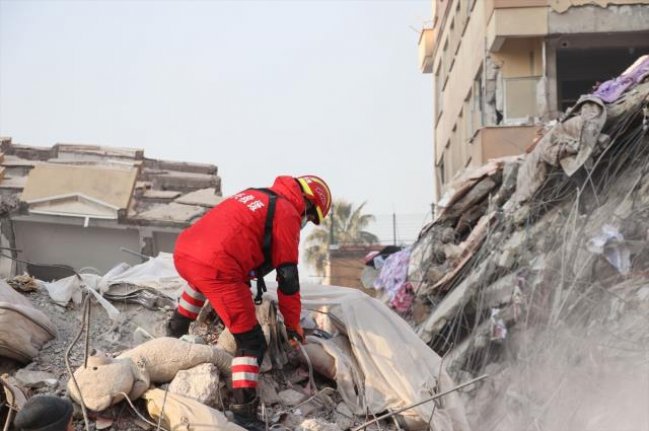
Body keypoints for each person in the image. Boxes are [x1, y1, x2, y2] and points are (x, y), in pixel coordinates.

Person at [165, 174, 331, 430]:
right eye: (309, 218)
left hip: (185, 252)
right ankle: (244, 411)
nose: (305, 223)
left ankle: (172, 334)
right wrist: (292, 324)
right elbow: (287, 277)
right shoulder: (287, 212)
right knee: (251, 342)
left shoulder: (257, 195)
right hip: (218, 266)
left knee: (201, 281)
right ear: (307, 204)